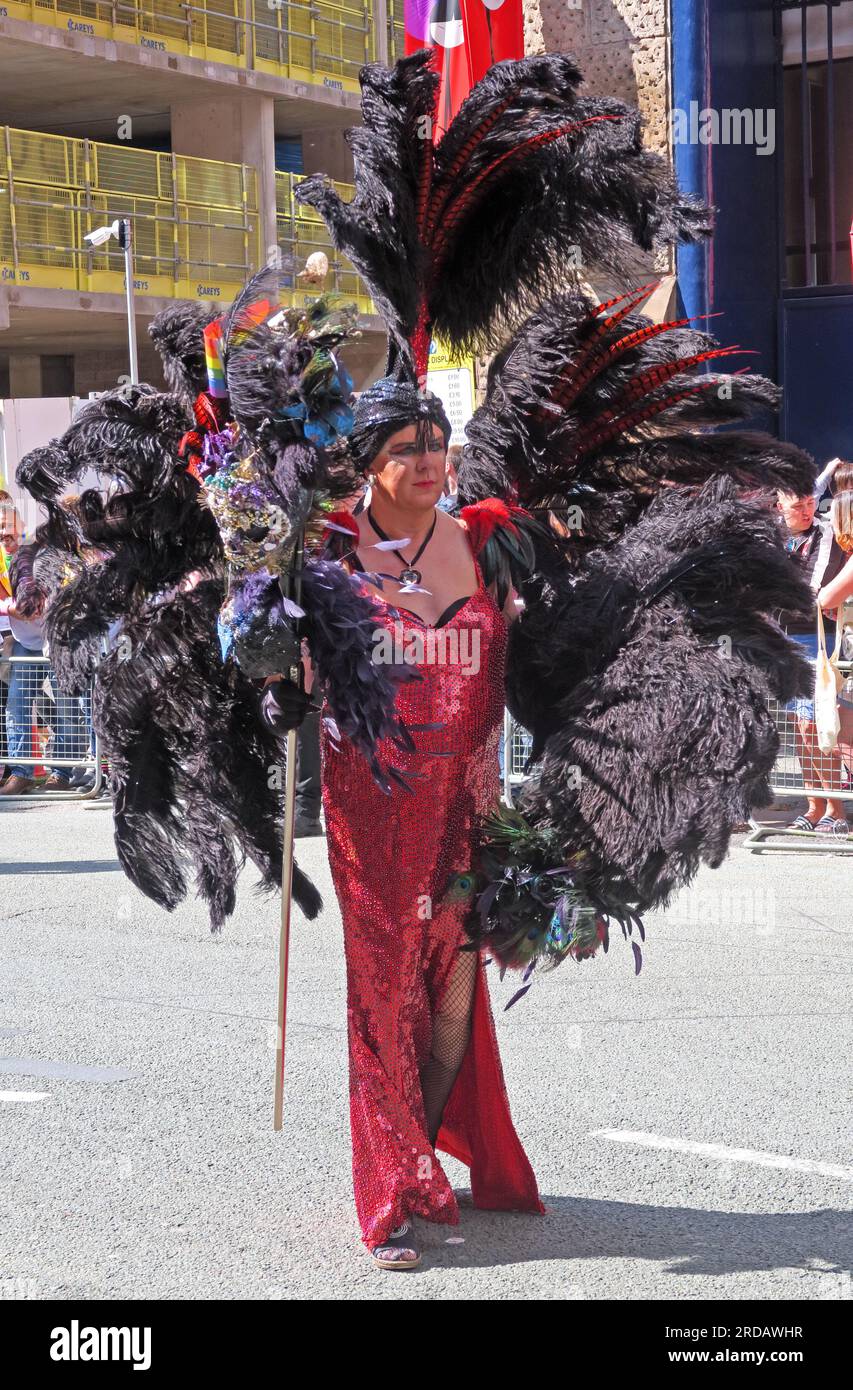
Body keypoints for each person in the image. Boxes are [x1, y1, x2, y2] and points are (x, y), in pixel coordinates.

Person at [317, 381, 543, 1269]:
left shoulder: (484, 540)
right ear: (367, 460)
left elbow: (521, 656)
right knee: (380, 989)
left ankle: (423, 1147)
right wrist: (273, 676)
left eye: (437, 443)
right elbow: (278, 662)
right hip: (371, 814)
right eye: (407, 447)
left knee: (450, 996)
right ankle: (388, 1191)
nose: (427, 461)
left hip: (466, 811)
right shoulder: (323, 543)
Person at [776, 488, 849, 833]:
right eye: (797, 506)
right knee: (798, 726)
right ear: (779, 506)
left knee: (816, 723)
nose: (807, 511)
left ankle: (837, 811)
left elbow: (816, 590)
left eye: (809, 504)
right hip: (780, 637)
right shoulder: (771, 536)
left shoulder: (824, 532)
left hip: (816, 636)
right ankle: (813, 806)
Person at [0, 504, 84, 795]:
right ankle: (21, 772)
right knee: (17, 703)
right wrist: (12, 606)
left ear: (21, 525)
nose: (3, 534)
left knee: (66, 704)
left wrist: (42, 606)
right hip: (25, 641)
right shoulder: (0, 558)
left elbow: (66, 590)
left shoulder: (42, 552)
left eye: (8, 527)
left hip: (60, 638)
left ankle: (60, 772)